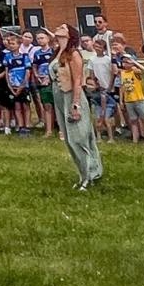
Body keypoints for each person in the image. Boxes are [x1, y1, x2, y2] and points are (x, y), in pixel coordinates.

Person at [49, 23, 102, 190]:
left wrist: (76, 104)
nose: (59, 27)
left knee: (78, 137)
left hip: (71, 95)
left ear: (69, 34)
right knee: (69, 139)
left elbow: (78, 81)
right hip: (58, 95)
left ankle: (91, 174)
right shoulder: (58, 52)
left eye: (63, 27)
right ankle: (82, 174)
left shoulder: (73, 54)